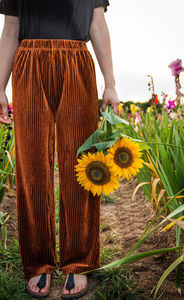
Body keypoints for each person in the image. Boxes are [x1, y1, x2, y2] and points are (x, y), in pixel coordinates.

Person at [0, 0, 120, 299]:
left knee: (81, 161)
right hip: (28, 62)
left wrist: (111, 83)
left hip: (77, 60)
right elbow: (10, 31)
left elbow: (97, 26)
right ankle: (39, 261)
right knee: (32, 165)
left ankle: (77, 260)